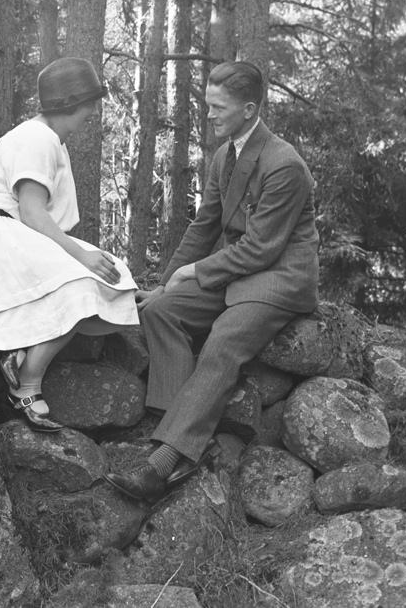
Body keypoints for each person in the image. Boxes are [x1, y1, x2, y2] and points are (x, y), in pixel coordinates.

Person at [103, 60, 319, 502]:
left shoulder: (284, 165)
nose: (209, 115)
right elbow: (204, 227)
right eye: (207, 105)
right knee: (162, 313)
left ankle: (166, 463)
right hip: (237, 270)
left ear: (249, 109)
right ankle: (170, 422)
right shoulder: (225, 154)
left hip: (277, 279)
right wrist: (168, 285)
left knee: (223, 339)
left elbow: (263, 249)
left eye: (218, 107)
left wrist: (197, 272)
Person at [0, 57, 139, 432]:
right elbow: (32, 212)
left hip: (10, 236)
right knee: (82, 284)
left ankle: (19, 357)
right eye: (89, 104)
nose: (91, 113)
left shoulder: (50, 140)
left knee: (109, 274)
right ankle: (27, 383)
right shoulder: (37, 137)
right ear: (72, 103)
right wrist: (80, 256)